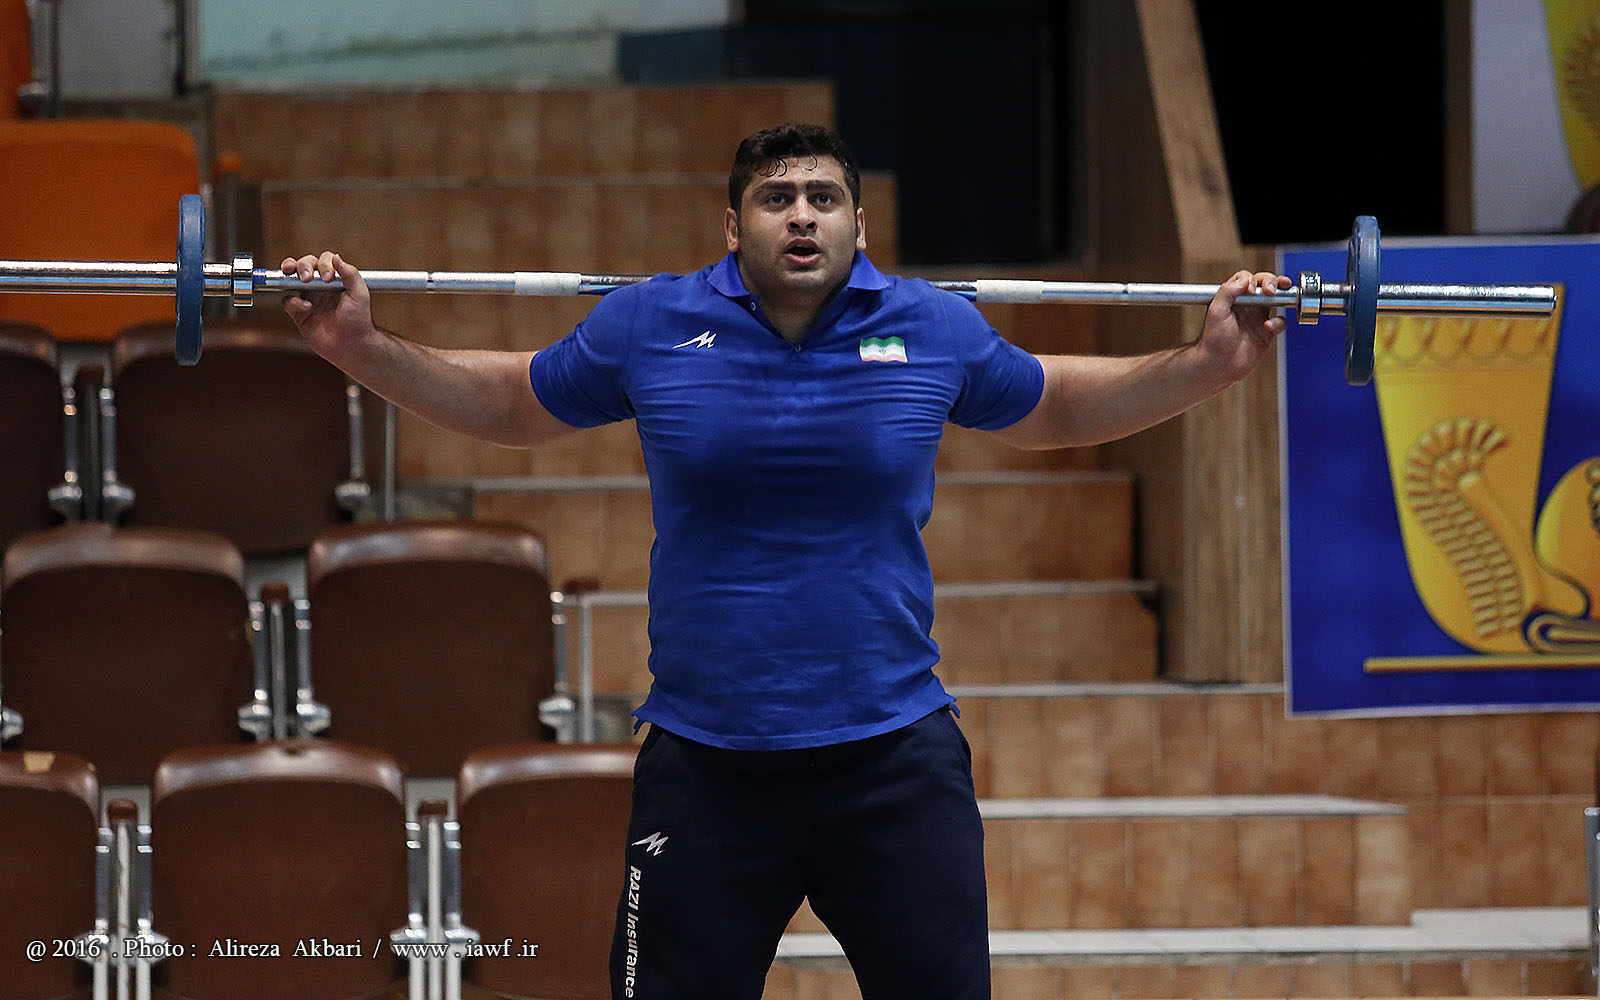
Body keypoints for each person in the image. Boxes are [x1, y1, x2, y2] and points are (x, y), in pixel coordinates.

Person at [283, 122, 1288, 1000]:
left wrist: (1209, 365)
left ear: (859, 225)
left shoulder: (931, 325)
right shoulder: (650, 323)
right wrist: (358, 348)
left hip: (893, 760)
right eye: (776, 198)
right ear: (734, 227)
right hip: (707, 766)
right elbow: (513, 403)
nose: (801, 214)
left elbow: (1056, 403)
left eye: (823, 197)